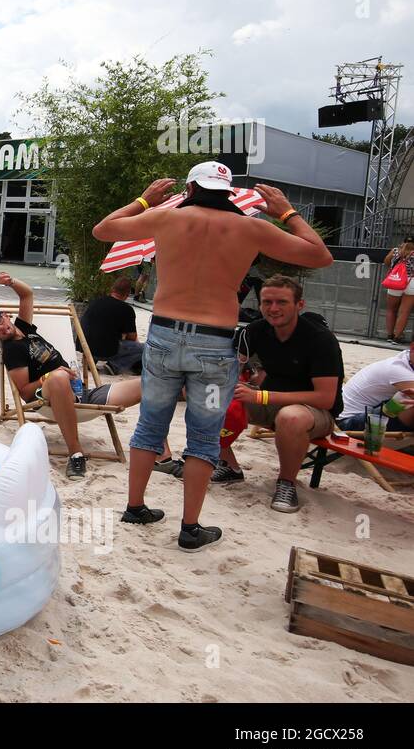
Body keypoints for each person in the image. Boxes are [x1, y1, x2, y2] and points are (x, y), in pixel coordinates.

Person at [91, 162, 333, 551]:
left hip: (165, 335)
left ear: (190, 187)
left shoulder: (167, 218)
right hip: (214, 344)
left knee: (150, 426)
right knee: (203, 436)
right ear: (229, 192)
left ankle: (135, 506)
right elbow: (319, 256)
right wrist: (286, 212)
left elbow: (103, 229)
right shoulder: (251, 228)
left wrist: (143, 200)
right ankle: (190, 528)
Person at [0, 272, 164, 479]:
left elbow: (27, 295)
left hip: (82, 394)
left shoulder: (24, 328)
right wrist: (51, 375)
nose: (0, 328)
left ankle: (161, 454)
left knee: (148, 384)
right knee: (58, 379)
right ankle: (76, 454)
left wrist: (11, 282)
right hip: (49, 398)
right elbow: (25, 392)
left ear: (6, 315)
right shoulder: (12, 351)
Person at [216, 276, 342, 514]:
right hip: (270, 399)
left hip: (315, 412)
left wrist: (262, 397)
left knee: (290, 418)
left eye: (282, 302)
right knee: (210, 397)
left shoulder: (320, 339)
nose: (273, 309)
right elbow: (230, 360)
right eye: (267, 302)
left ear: (299, 305)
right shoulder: (257, 330)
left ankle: (286, 484)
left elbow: (325, 398)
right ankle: (228, 465)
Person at [338, 336, 414, 433]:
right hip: (347, 423)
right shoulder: (399, 370)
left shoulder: (407, 358)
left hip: (367, 412)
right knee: (409, 405)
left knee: (403, 402)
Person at [80, 276, 144, 375]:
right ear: (127, 294)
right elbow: (132, 337)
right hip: (107, 350)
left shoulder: (96, 301)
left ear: (112, 289)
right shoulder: (126, 309)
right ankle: (114, 366)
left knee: (101, 336)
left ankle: (90, 360)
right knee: (144, 349)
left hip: (84, 346)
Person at [381, 240, 414, 342]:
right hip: (411, 282)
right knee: (404, 312)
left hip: (395, 280)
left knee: (391, 309)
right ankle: (397, 337)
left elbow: (386, 262)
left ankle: (389, 335)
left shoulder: (395, 251)